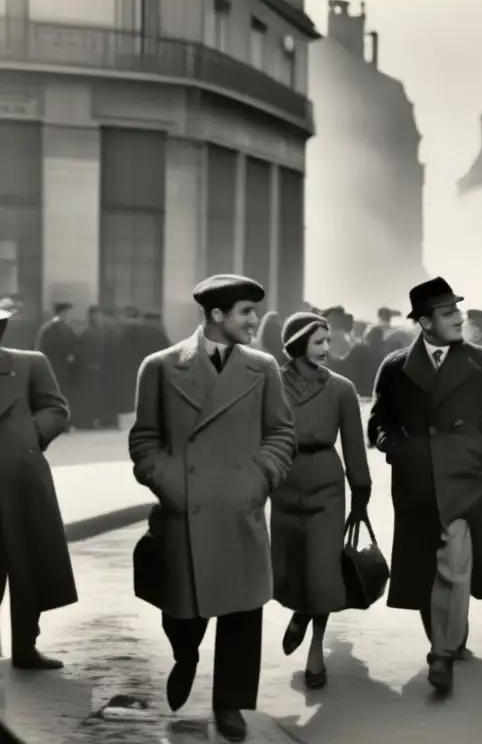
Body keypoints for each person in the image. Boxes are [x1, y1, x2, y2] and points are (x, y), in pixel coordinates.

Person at [128, 274, 295, 742]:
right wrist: (173, 487)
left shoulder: (263, 368)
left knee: (242, 612)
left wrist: (259, 480)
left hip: (240, 507)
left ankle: (230, 703)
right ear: (217, 315)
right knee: (182, 611)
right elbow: (144, 439)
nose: (255, 321)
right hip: (185, 509)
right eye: (246, 311)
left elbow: (281, 432)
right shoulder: (159, 366)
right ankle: (185, 654)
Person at [367, 277, 482, 696]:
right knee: (425, 569)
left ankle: (441, 651)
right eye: (448, 312)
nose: (459, 318)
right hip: (417, 482)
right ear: (423, 322)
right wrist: (399, 448)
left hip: (468, 480)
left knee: (454, 565)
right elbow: (379, 421)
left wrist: (476, 448)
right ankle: (449, 640)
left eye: (458, 310)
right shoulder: (396, 367)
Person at [272, 312, 371, 690]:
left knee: (323, 572)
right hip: (283, 483)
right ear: (298, 344)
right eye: (319, 342)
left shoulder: (342, 388)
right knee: (291, 566)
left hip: (327, 487)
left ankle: (316, 651)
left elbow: (354, 446)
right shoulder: (270, 383)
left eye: (329, 341)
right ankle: (300, 611)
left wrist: (360, 490)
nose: (328, 349)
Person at [0, 305, 78, 669]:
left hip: (22, 485)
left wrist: (30, 433)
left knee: (28, 565)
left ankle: (26, 647)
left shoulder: (29, 363)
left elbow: (56, 409)